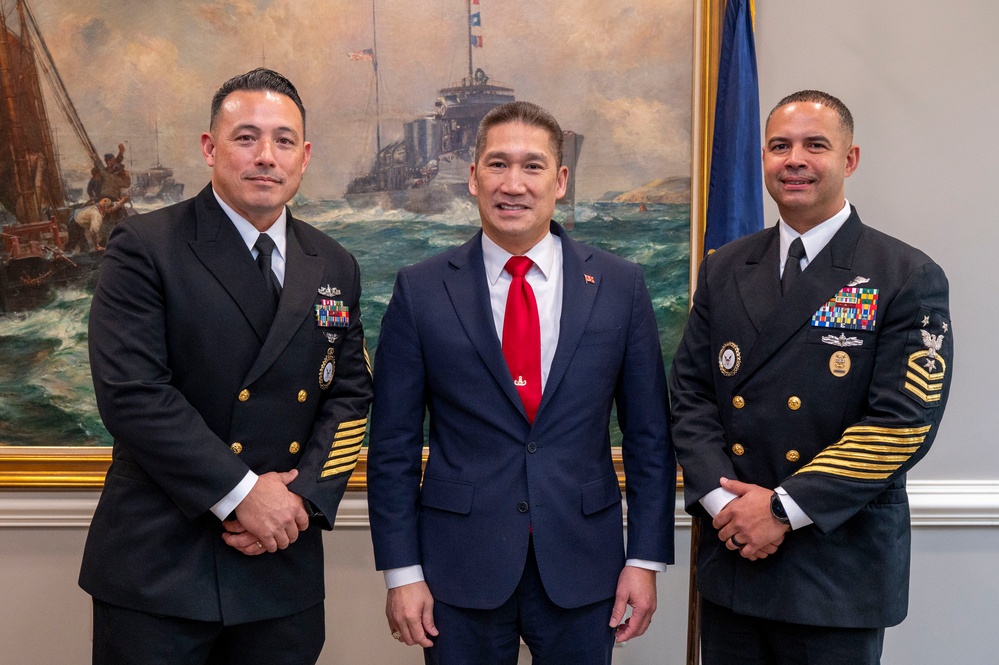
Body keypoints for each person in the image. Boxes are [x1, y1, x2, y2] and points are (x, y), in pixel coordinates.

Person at [79, 68, 373, 664]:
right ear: (210, 148)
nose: (266, 156)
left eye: (283, 141)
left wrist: (302, 499)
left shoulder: (333, 263)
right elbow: (133, 393)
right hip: (162, 568)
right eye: (246, 137)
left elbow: (350, 395)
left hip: (281, 559)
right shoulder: (145, 246)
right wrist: (242, 494)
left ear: (304, 156)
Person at [367, 101, 675, 664]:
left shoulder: (620, 285)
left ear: (560, 180)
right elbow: (392, 445)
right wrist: (401, 572)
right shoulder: (420, 289)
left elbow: (649, 437)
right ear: (473, 177)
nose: (514, 184)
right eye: (497, 164)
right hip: (457, 570)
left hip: (585, 564)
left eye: (533, 166)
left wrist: (645, 559)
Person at [669, 89, 953, 664]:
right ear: (764, 159)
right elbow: (690, 395)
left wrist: (780, 509)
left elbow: (902, 423)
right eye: (779, 146)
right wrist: (726, 507)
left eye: (815, 145)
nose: (794, 160)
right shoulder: (725, 267)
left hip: (834, 566)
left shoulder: (904, 274)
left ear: (849, 159)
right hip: (734, 554)